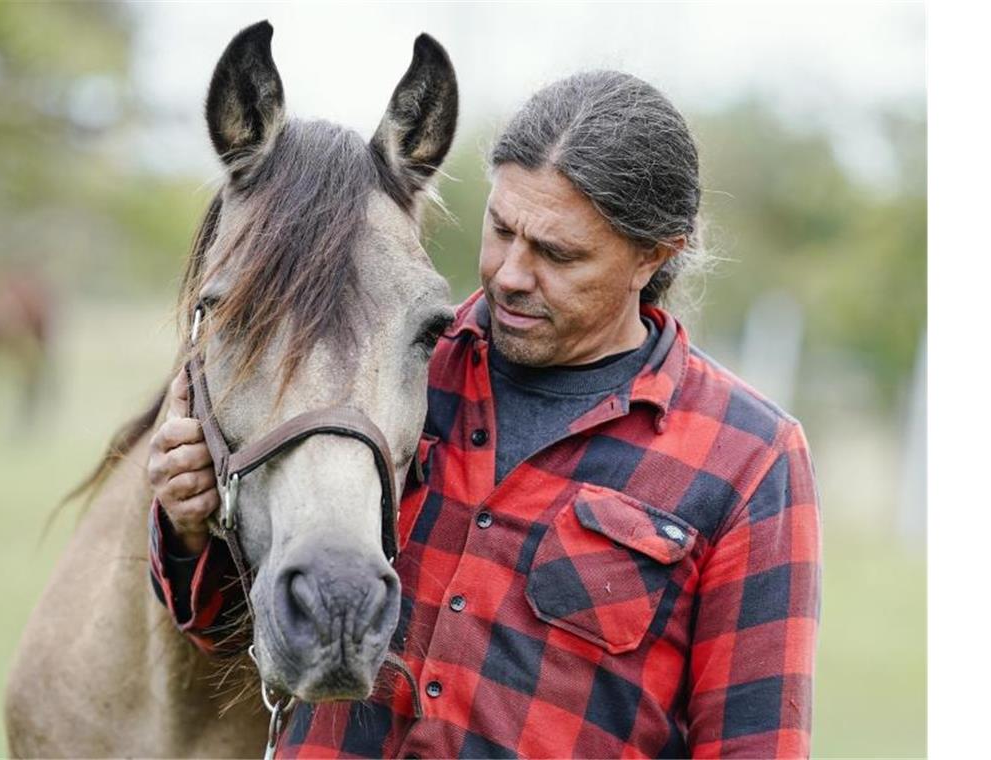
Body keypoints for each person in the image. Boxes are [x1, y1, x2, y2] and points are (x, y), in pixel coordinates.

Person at [147, 70, 820, 758]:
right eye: (501, 229)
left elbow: (753, 743)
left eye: (558, 253)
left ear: (653, 255)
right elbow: (241, 632)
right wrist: (192, 530)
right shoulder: (395, 366)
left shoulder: (749, 459)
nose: (509, 275)